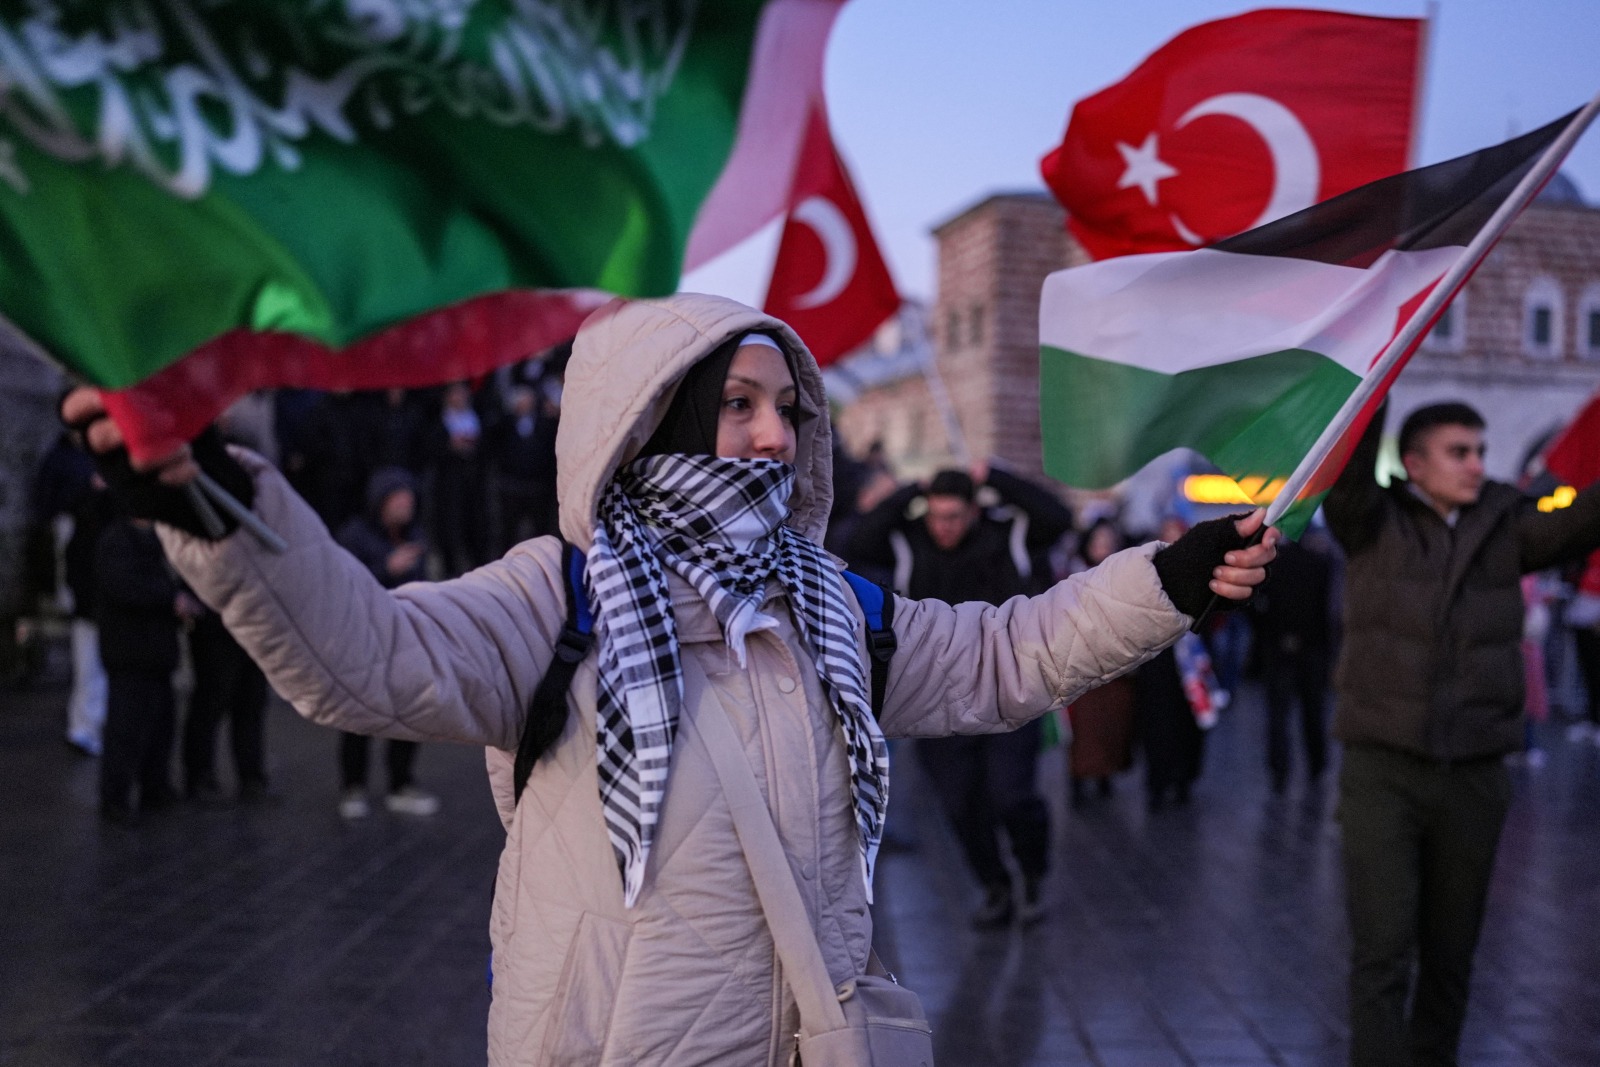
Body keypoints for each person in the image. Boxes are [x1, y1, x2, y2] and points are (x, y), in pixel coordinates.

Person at [62, 293, 1276, 1066]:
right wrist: (206, 503)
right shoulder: (555, 597)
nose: (774, 435)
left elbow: (1007, 653)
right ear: (648, 423)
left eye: (787, 408)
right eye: (735, 406)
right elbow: (367, 659)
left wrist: (1167, 579)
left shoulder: (831, 603)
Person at [1326, 401, 1600, 1066]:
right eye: (1459, 452)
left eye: (1480, 450)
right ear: (1414, 463)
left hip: (1475, 774)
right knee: (1382, 951)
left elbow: (1586, 519)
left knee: (1451, 957)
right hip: (1383, 770)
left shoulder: (1506, 527)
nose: (1477, 464)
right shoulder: (1370, 521)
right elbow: (1350, 461)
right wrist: (1378, 378)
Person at [847, 462, 1074, 927]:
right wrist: (910, 488)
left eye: (953, 516)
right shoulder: (908, 541)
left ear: (973, 511)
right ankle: (994, 885)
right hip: (937, 693)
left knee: (1012, 795)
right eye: (935, 515)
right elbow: (855, 541)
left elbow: (1059, 518)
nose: (943, 527)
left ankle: (1033, 872)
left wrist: (994, 475)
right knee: (959, 803)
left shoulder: (1007, 535)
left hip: (1011, 684)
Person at [333, 467, 441, 818]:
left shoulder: (416, 535)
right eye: (398, 499)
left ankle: (401, 783)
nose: (405, 505)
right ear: (380, 502)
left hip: (405, 639)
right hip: (363, 640)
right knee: (359, 715)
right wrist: (387, 569)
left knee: (409, 714)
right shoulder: (355, 536)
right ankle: (353, 787)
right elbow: (343, 587)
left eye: (409, 499)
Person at [94, 511, 202, 824]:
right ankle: (116, 797)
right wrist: (171, 600)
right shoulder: (117, 541)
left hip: (154, 652)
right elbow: (125, 587)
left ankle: (154, 788)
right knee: (126, 729)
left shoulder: (152, 540)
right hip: (131, 652)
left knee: (159, 726)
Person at [1251, 528, 1335, 794]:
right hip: (1311, 648)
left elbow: (1257, 607)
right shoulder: (1320, 563)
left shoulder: (1273, 565)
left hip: (1278, 648)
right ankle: (1316, 765)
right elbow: (1326, 610)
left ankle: (1280, 770)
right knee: (1312, 712)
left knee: (1279, 714)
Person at [1063, 519, 1137, 807]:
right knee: (1082, 728)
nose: (1102, 548)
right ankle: (1079, 777)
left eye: (1108, 542)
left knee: (1112, 725)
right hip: (1082, 667)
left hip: (1116, 668)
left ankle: (1105, 774)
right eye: (1098, 542)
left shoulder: (1126, 578)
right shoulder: (1073, 576)